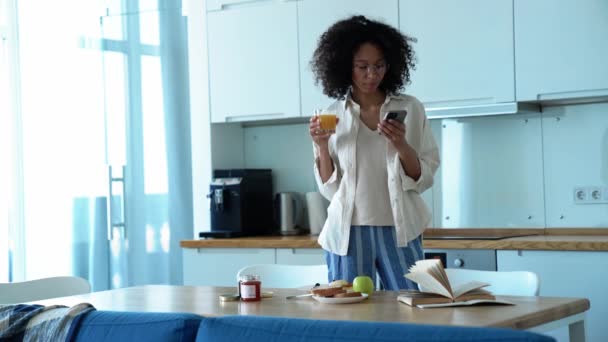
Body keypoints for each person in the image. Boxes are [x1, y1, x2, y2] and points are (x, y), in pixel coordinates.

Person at [308, 15, 440, 290]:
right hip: (347, 231)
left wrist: (402, 145)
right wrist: (322, 146)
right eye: (363, 66)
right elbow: (329, 188)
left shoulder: (411, 109)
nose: (372, 74)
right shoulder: (331, 115)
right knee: (349, 317)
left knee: (412, 309)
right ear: (346, 66)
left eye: (379, 66)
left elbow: (424, 177)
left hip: (401, 228)